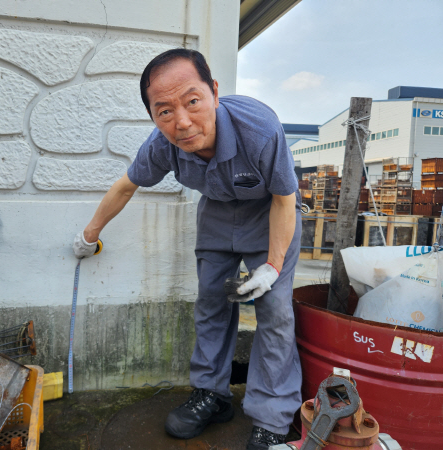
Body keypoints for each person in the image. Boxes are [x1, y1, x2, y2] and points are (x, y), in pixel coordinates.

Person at [73, 48, 302, 450]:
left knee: (275, 311)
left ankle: (273, 417)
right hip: (216, 212)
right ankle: (211, 395)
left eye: (192, 101)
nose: (181, 121)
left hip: (270, 213)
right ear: (153, 117)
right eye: (163, 111)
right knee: (211, 303)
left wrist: (271, 267)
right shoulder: (163, 144)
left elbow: (285, 200)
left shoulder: (260, 128)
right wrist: (89, 235)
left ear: (213, 91)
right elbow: (127, 185)